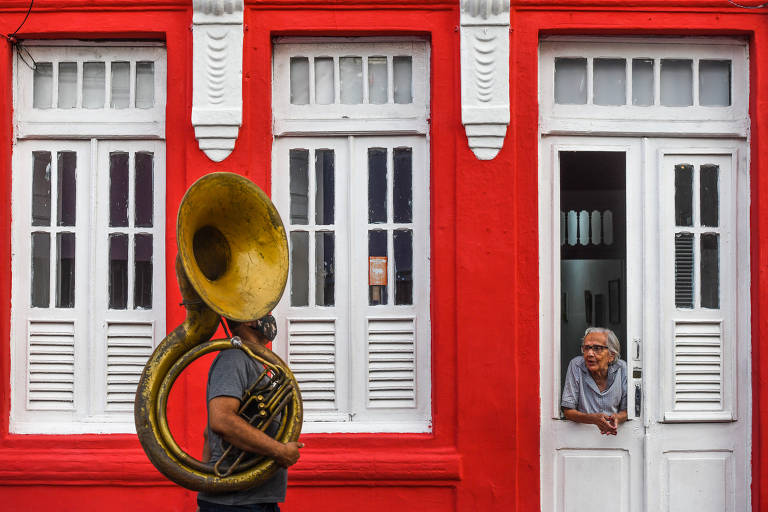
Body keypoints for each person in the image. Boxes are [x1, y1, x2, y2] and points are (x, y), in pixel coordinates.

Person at [198, 315, 303, 512]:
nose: (270, 317)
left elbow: (207, 433)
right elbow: (221, 421)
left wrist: (204, 485)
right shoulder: (235, 357)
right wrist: (280, 451)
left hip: (250, 499)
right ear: (247, 321)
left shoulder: (252, 360)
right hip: (236, 502)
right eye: (264, 310)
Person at [561, 327, 628, 435]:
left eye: (597, 348)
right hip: (582, 436)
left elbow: (628, 410)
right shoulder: (576, 365)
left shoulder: (622, 368)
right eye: (586, 348)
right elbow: (568, 411)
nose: (589, 354)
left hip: (614, 439)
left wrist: (617, 418)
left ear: (611, 355)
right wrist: (592, 419)